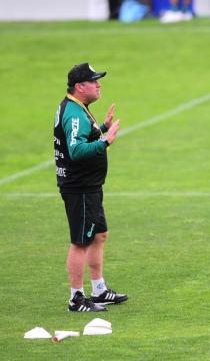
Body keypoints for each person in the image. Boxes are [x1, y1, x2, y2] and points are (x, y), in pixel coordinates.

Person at [54, 62, 128, 312]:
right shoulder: (74, 113)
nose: (99, 85)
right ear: (79, 86)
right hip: (80, 187)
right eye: (93, 81)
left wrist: (102, 128)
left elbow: (83, 137)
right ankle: (76, 298)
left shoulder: (78, 107)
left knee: (99, 236)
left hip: (90, 185)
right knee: (80, 242)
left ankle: (99, 290)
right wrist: (105, 141)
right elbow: (75, 150)